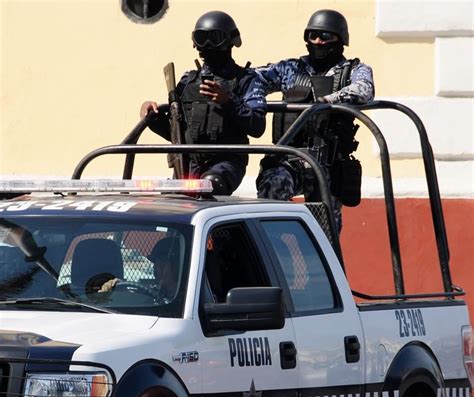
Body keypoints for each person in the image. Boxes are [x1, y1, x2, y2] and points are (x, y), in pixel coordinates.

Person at [256, 9, 374, 233]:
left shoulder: (354, 70)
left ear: (340, 40)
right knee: (271, 187)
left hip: (328, 164)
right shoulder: (290, 68)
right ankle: (272, 252)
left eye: (325, 36)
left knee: (326, 234)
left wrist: (328, 101)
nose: (318, 41)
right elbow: (254, 80)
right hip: (292, 159)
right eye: (313, 36)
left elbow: (365, 90)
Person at [140, 11, 267, 195]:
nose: (207, 45)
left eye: (214, 38)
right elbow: (175, 134)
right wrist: (153, 116)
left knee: (208, 185)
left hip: (226, 163)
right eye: (201, 38)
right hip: (186, 164)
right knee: (171, 200)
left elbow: (257, 127)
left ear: (230, 42)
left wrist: (228, 101)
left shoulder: (247, 80)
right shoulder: (187, 82)